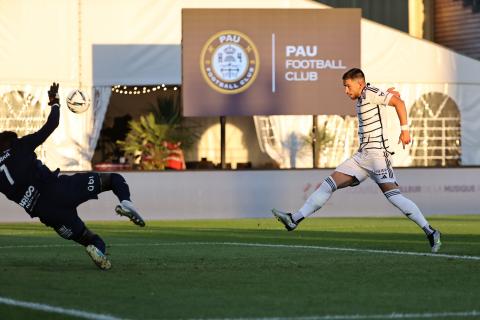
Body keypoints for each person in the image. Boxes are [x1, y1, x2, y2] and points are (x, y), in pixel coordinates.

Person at [272, 68, 441, 253]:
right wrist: (388, 95)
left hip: (377, 157)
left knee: (395, 198)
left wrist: (405, 130)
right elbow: (383, 102)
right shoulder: (363, 97)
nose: (346, 91)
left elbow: (399, 104)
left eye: (348, 86)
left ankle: (430, 231)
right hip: (362, 157)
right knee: (329, 184)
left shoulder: (369, 93)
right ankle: (294, 219)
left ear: (359, 83)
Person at [0, 83, 145, 270]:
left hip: (46, 213)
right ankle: (126, 203)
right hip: (59, 190)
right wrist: (55, 102)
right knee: (113, 179)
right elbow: (52, 124)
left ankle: (98, 251)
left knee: (89, 239)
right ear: (9, 142)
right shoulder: (18, 146)